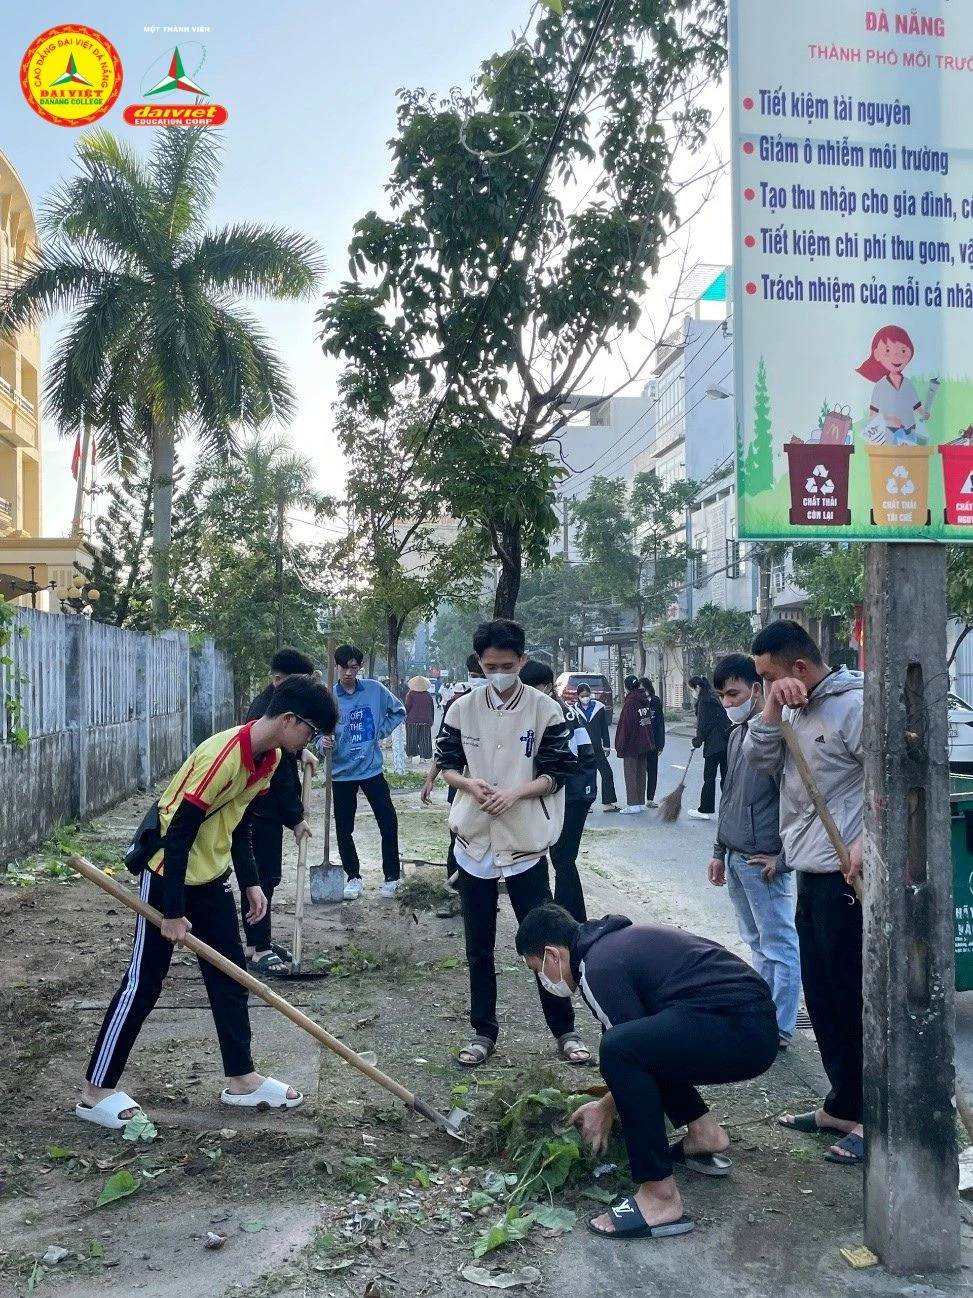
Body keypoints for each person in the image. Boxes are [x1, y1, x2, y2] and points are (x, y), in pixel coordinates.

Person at [77, 678, 339, 1130]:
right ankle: (95, 1091)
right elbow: (178, 833)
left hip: (211, 876)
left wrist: (252, 883)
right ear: (290, 720)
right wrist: (175, 912)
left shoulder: (270, 758)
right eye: (311, 732)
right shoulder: (223, 754)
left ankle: (242, 1079)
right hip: (167, 875)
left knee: (230, 976)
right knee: (144, 982)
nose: (310, 743)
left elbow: (237, 824)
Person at [516, 904, 778, 1240]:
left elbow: (626, 1054)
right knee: (639, 1043)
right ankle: (705, 1134)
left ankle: (659, 1196)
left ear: (552, 955)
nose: (542, 980)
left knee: (618, 1048)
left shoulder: (598, 968)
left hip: (741, 1029)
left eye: (536, 969)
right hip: (748, 1021)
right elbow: (645, 1044)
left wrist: (604, 1108)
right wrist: (606, 1104)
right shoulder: (611, 946)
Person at [434, 618, 590, 1069]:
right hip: (474, 841)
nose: (498, 673)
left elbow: (559, 772)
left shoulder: (545, 710)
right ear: (478, 665)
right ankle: (483, 1031)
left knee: (547, 938)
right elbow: (446, 762)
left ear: (522, 660)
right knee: (477, 945)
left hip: (525, 842)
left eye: (507, 664)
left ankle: (565, 1029)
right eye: (489, 666)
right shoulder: (462, 708)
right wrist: (469, 783)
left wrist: (516, 792)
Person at [743, 620, 865, 1166]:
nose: (764, 686)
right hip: (809, 872)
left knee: (851, 997)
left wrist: (868, 841)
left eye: (767, 677)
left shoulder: (855, 705)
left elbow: (894, 782)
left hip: (848, 875)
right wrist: (771, 710)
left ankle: (870, 1115)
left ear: (798, 667)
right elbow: (757, 764)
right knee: (821, 995)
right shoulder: (788, 710)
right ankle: (840, 1104)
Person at [706, 654, 800, 1048]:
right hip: (736, 857)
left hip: (765, 862)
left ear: (756, 690)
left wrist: (785, 858)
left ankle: (779, 1027)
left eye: (735, 694)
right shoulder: (736, 735)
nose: (728, 703)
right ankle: (764, 1020)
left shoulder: (780, 734)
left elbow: (804, 803)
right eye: (723, 697)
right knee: (757, 943)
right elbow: (730, 797)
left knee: (779, 945)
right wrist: (718, 850)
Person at [243, 647, 320, 977]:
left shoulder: (275, 705)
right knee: (261, 879)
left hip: (266, 809)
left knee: (265, 879)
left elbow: (286, 757)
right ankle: (258, 949)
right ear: (279, 680)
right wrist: (297, 818)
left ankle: (256, 942)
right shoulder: (266, 712)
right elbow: (278, 777)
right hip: (262, 809)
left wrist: (301, 751)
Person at [321, 645, 407, 900]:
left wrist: (378, 733)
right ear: (336, 667)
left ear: (359, 667)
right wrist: (321, 742)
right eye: (344, 667)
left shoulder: (374, 690)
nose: (349, 672)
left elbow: (398, 711)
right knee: (344, 828)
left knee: (388, 821)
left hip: (371, 770)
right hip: (340, 773)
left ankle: (392, 877)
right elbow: (315, 730)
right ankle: (353, 876)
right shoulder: (327, 697)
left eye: (354, 667)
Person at [520, 660, 596, 921]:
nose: (527, 693)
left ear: (548, 687)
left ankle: (570, 920)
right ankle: (569, 916)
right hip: (570, 790)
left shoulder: (554, 711)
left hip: (574, 792)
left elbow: (565, 761)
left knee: (563, 857)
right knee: (560, 856)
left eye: (533, 688)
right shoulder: (548, 707)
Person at [687, 675, 731, 821]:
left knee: (709, 778)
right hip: (726, 742)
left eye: (691, 690)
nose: (692, 693)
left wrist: (696, 742)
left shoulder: (704, 702)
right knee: (726, 778)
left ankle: (705, 809)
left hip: (714, 745)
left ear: (697, 688)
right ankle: (730, 809)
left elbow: (703, 726)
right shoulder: (715, 697)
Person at [614, 676, 655, 814]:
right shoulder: (644, 700)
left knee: (630, 773)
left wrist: (620, 744)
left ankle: (633, 804)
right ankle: (639, 802)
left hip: (632, 744)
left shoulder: (631, 702)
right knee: (641, 773)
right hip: (645, 742)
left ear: (627, 688)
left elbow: (626, 725)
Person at [575, 684, 619, 813]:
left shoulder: (598, 709)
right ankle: (586, 804)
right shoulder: (574, 711)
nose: (586, 698)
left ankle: (608, 803)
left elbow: (604, 728)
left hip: (597, 748)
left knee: (607, 773)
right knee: (587, 777)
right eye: (583, 696)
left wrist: (606, 745)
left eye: (587, 695)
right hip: (582, 750)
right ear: (578, 696)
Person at [638, 678, 666, 808]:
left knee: (652, 771)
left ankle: (650, 798)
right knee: (639, 771)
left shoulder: (655, 701)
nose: (642, 691)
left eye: (643, 688)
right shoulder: (637, 701)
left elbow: (660, 723)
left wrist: (661, 743)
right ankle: (637, 798)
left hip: (653, 742)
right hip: (640, 742)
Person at [404, 675, 435, 762]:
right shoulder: (428, 695)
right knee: (424, 739)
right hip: (426, 720)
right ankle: (423, 758)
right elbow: (431, 708)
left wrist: (404, 715)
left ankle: (410, 757)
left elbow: (407, 706)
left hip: (412, 720)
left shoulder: (410, 694)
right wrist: (431, 719)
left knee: (411, 739)